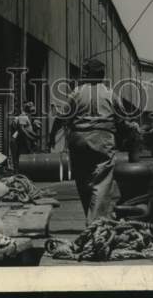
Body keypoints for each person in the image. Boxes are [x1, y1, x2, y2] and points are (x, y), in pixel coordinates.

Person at [48, 57, 132, 224]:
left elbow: (62, 117)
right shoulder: (111, 94)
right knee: (101, 181)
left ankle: (91, 217)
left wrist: (52, 136)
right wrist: (126, 137)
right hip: (103, 139)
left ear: (87, 74)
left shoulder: (76, 93)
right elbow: (122, 120)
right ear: (102, 75)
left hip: (79, 139)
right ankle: (95, 221)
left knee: (83, 180)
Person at [10, 100, 40, 169]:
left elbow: (27, 129)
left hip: (25, 140)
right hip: (22, 140)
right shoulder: (23, 116)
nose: (32, 111)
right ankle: (19, 171)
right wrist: (31, 137)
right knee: (21, 157)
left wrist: (34, 135)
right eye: (31, 109)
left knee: (25, 156)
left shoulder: (26, 117)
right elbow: (22, 129)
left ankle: (22, 170)